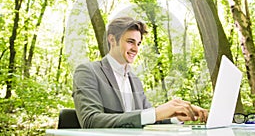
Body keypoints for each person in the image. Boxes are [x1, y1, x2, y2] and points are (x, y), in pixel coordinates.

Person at [72, 16, 208, 128]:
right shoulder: (88, 72)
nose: (136, 49)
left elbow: (148, 117)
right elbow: (91, 121)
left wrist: (176, 116)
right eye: (131, 42)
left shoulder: (135, 80)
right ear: (112, 39)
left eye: (138, 44)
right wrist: (156, 112)